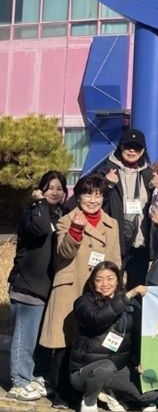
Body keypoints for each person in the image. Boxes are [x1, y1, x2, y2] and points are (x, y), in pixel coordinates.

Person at [39, 174, 121, 408]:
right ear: (78, 196)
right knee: (66, 342)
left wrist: (114, 285)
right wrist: (76, 228)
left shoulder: (112, 224)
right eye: (87, 194)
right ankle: (61, 393)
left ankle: (88, 390)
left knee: (91, 343)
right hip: (71, 288)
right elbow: (64, 252)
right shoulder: (66, 220)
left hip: (99, 290)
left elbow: (115, 258)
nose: (93, 200)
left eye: (98, 195)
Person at [7, 171, 67, 401]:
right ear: (41, 190)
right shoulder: (33, 213)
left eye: (59, 188)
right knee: (24, 337)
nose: (55, 192)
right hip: (27, 286)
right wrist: (39, 201)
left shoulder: (58, 215)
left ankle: (32, 376)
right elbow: (40, 230)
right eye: (50, 187)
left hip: (46, 288)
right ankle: (19, 382)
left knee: (38, 338)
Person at [70, 261, 158, 412]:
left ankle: (109, 392)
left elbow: (137, 338)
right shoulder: (83, 303)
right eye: (99, 279)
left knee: (151, 394)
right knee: (106, 367)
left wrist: (141, 361)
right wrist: (128, 295)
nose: (105, 284)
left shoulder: (132, 306)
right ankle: (89, 401)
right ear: (93, 283)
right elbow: (98, 318)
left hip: (117, 369)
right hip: (84, 372)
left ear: (118, 280)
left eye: (110, 278)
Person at [94, 128, 154, 290]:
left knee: (137, 290)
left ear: (143, 151)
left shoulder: (149, 175)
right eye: (128, 146)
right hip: (114, 242)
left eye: (137, 147)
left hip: (139, 244)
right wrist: (107, 185)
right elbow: (92, 202)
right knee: (110, 288)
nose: (132, 150)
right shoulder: (104, 170)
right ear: (120, 147)